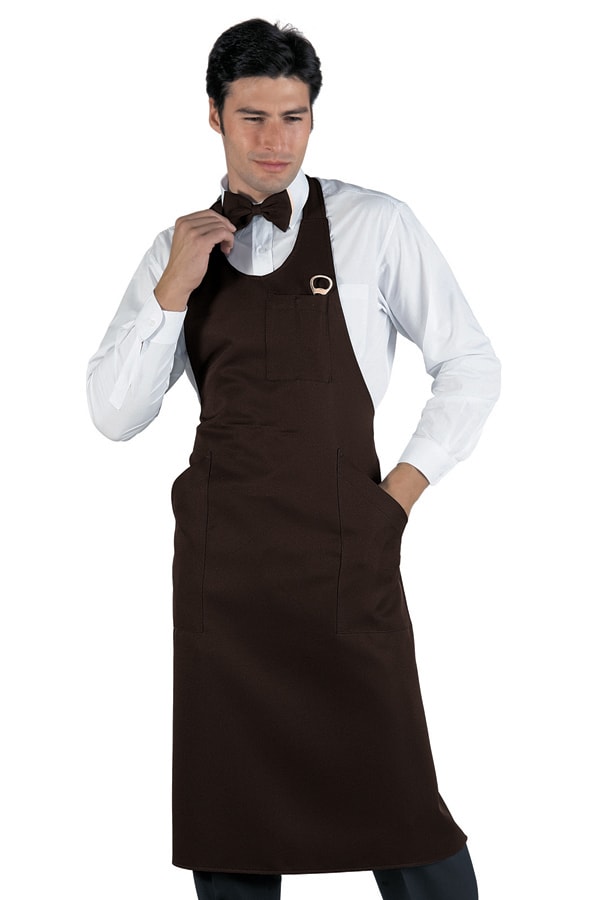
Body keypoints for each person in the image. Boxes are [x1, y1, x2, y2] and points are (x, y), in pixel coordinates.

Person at [86, 18, 500, 900]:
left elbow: (471, 363)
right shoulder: (174, 248)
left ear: (313, 117)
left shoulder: (375, 223)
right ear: (213, 116)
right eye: (253, 118)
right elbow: (114, 415)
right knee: (232, 823)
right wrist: (173, 288)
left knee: (401, 807)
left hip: (346, 557)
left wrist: (397, 497)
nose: (275, 141)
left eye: (294, 117)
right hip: (225, 579)